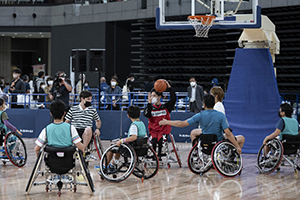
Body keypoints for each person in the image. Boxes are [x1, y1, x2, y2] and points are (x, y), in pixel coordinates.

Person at [159, 94, 243, 154]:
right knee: (241, 138)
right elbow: (228, 133)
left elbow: (182, 124)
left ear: (204, 104)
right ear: (214, 103)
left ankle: (196, 153)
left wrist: (167, 122)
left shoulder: (200, 115)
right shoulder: (220, 115)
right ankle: (231, 157)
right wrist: (237, 146)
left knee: (194, 133)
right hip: (218, 144)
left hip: (205, 142)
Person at [143, 80, 176, 160]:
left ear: (159, 97)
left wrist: (169, 88)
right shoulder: (150, 107)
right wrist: (149, 104)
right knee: (154, 140)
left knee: (160, 140)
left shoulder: (165, 107)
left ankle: (159, 156)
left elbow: (173, 99)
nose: (153, 97)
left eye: (154, 95)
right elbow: (146, 114)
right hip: (153, 130)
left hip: (163, 130)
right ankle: (154, 156)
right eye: (151, 96)